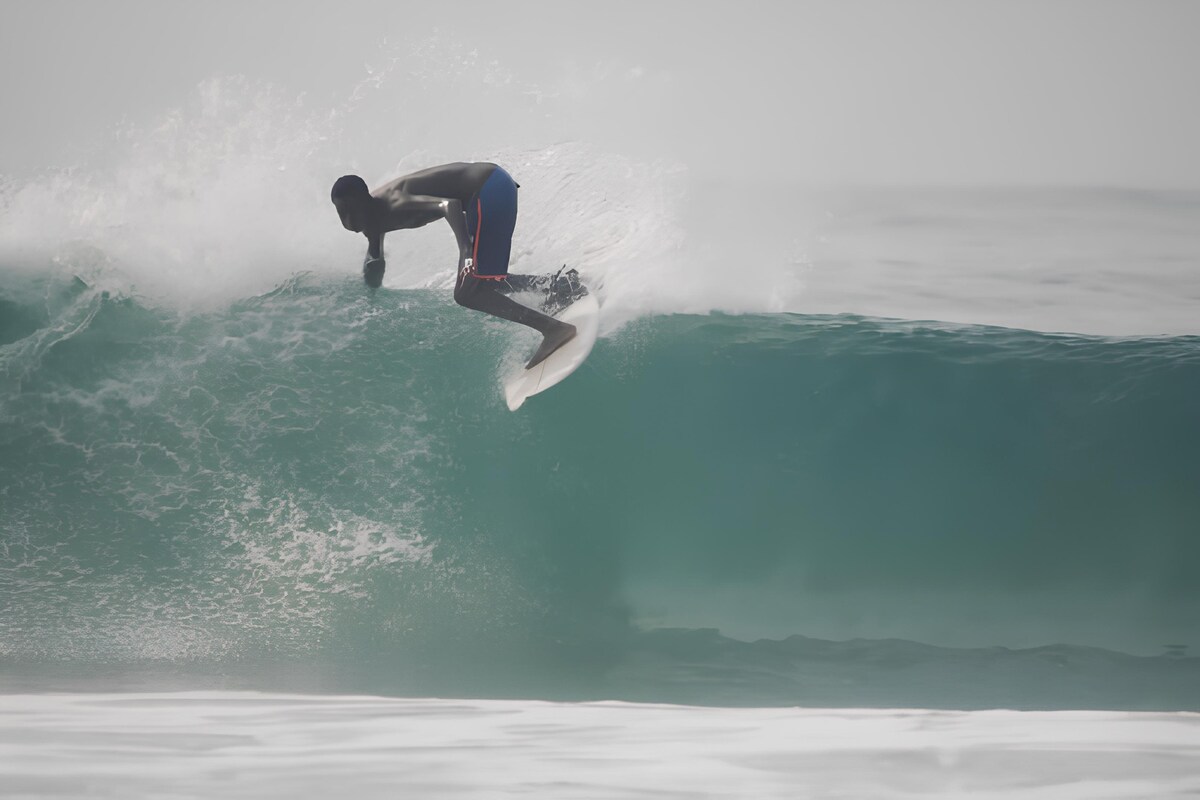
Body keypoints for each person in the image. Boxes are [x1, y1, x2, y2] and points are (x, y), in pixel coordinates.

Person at [330, 162, 584, 368]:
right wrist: (369, 289)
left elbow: (448, 205)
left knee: (466, 292)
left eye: (350, 211)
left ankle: (554, 330)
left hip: (488, 189)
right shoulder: (370, 221)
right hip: (489, 188)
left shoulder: (393, 202)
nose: (347, 220)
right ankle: (561, 286)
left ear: (365, 200)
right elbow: (375, 258)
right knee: (482, 282)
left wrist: (466, 250)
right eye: (341, 213)